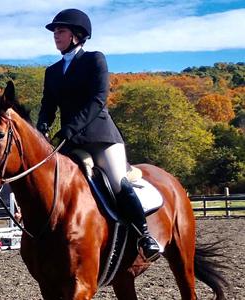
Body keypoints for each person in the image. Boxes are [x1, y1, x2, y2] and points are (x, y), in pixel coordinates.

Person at [36, 8, 159, 261]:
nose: (55, 35)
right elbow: (48, 104)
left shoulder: (95, 60)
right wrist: (42, 127)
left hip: (101, 137)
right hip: (69, 142)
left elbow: (98, 100)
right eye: (55, 31)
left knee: (118, 181)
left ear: (77, 35)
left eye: (61, 30)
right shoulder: (52, 71)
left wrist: (70, 128)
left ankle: (144, 236)